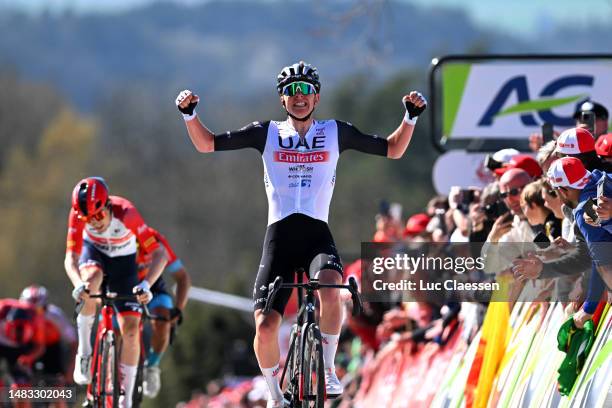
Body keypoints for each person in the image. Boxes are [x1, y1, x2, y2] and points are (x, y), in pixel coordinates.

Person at [175, 61, 427, 407]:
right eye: (291, 91)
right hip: (278, 239)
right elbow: (207, 145)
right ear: (282, 100)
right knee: (264, 327)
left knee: (332, 285)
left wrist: (409, 118)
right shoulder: (267, 132)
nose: (299, 96)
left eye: (305, 90)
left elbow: (394, 149)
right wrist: (190, 115)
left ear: (316, 97)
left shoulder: (336, 131)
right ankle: (276, 395)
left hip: (316, 235)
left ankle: (326, 367)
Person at [64, 177, 167, 408]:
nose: (95, 223)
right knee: (90, 283)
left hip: (124, 265)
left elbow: (160, 254)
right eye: (87, 219)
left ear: (108, 205)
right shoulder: (77, 214)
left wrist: (146, 285)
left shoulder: (127, 213)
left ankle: (126, 399)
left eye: (99, 215)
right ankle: (85, 352)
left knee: (130, 331)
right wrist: (77, 283)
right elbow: (70, 258)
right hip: (94, 256)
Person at [136, 227, 191, 398]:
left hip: (152, 287)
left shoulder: (156, 240)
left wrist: (178, 310)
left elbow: (182, 278)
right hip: (122, 285)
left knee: (163, 319)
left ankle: (152, 365)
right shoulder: (119, 239)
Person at [19, 285, 77, 386]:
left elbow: (73, 342)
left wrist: (70, 371)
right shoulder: (19, 316)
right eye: (29, 310)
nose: (35, 314)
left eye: (39, 310)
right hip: (29, 348)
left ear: (45, 306)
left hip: (53, 349)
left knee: (58, 386)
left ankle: (58, 399)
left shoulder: (55, 316)